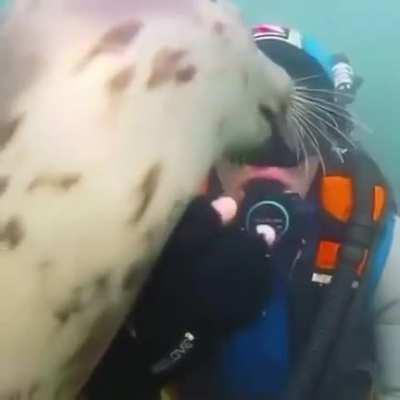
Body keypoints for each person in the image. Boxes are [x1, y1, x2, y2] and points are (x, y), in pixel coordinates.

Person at [84, 24, 400, 400]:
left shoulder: (377, 246)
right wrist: (144, 336)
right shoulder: (147, 241)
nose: (268, 160)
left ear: (327, 141)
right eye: (242, 131)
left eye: (296, 135)